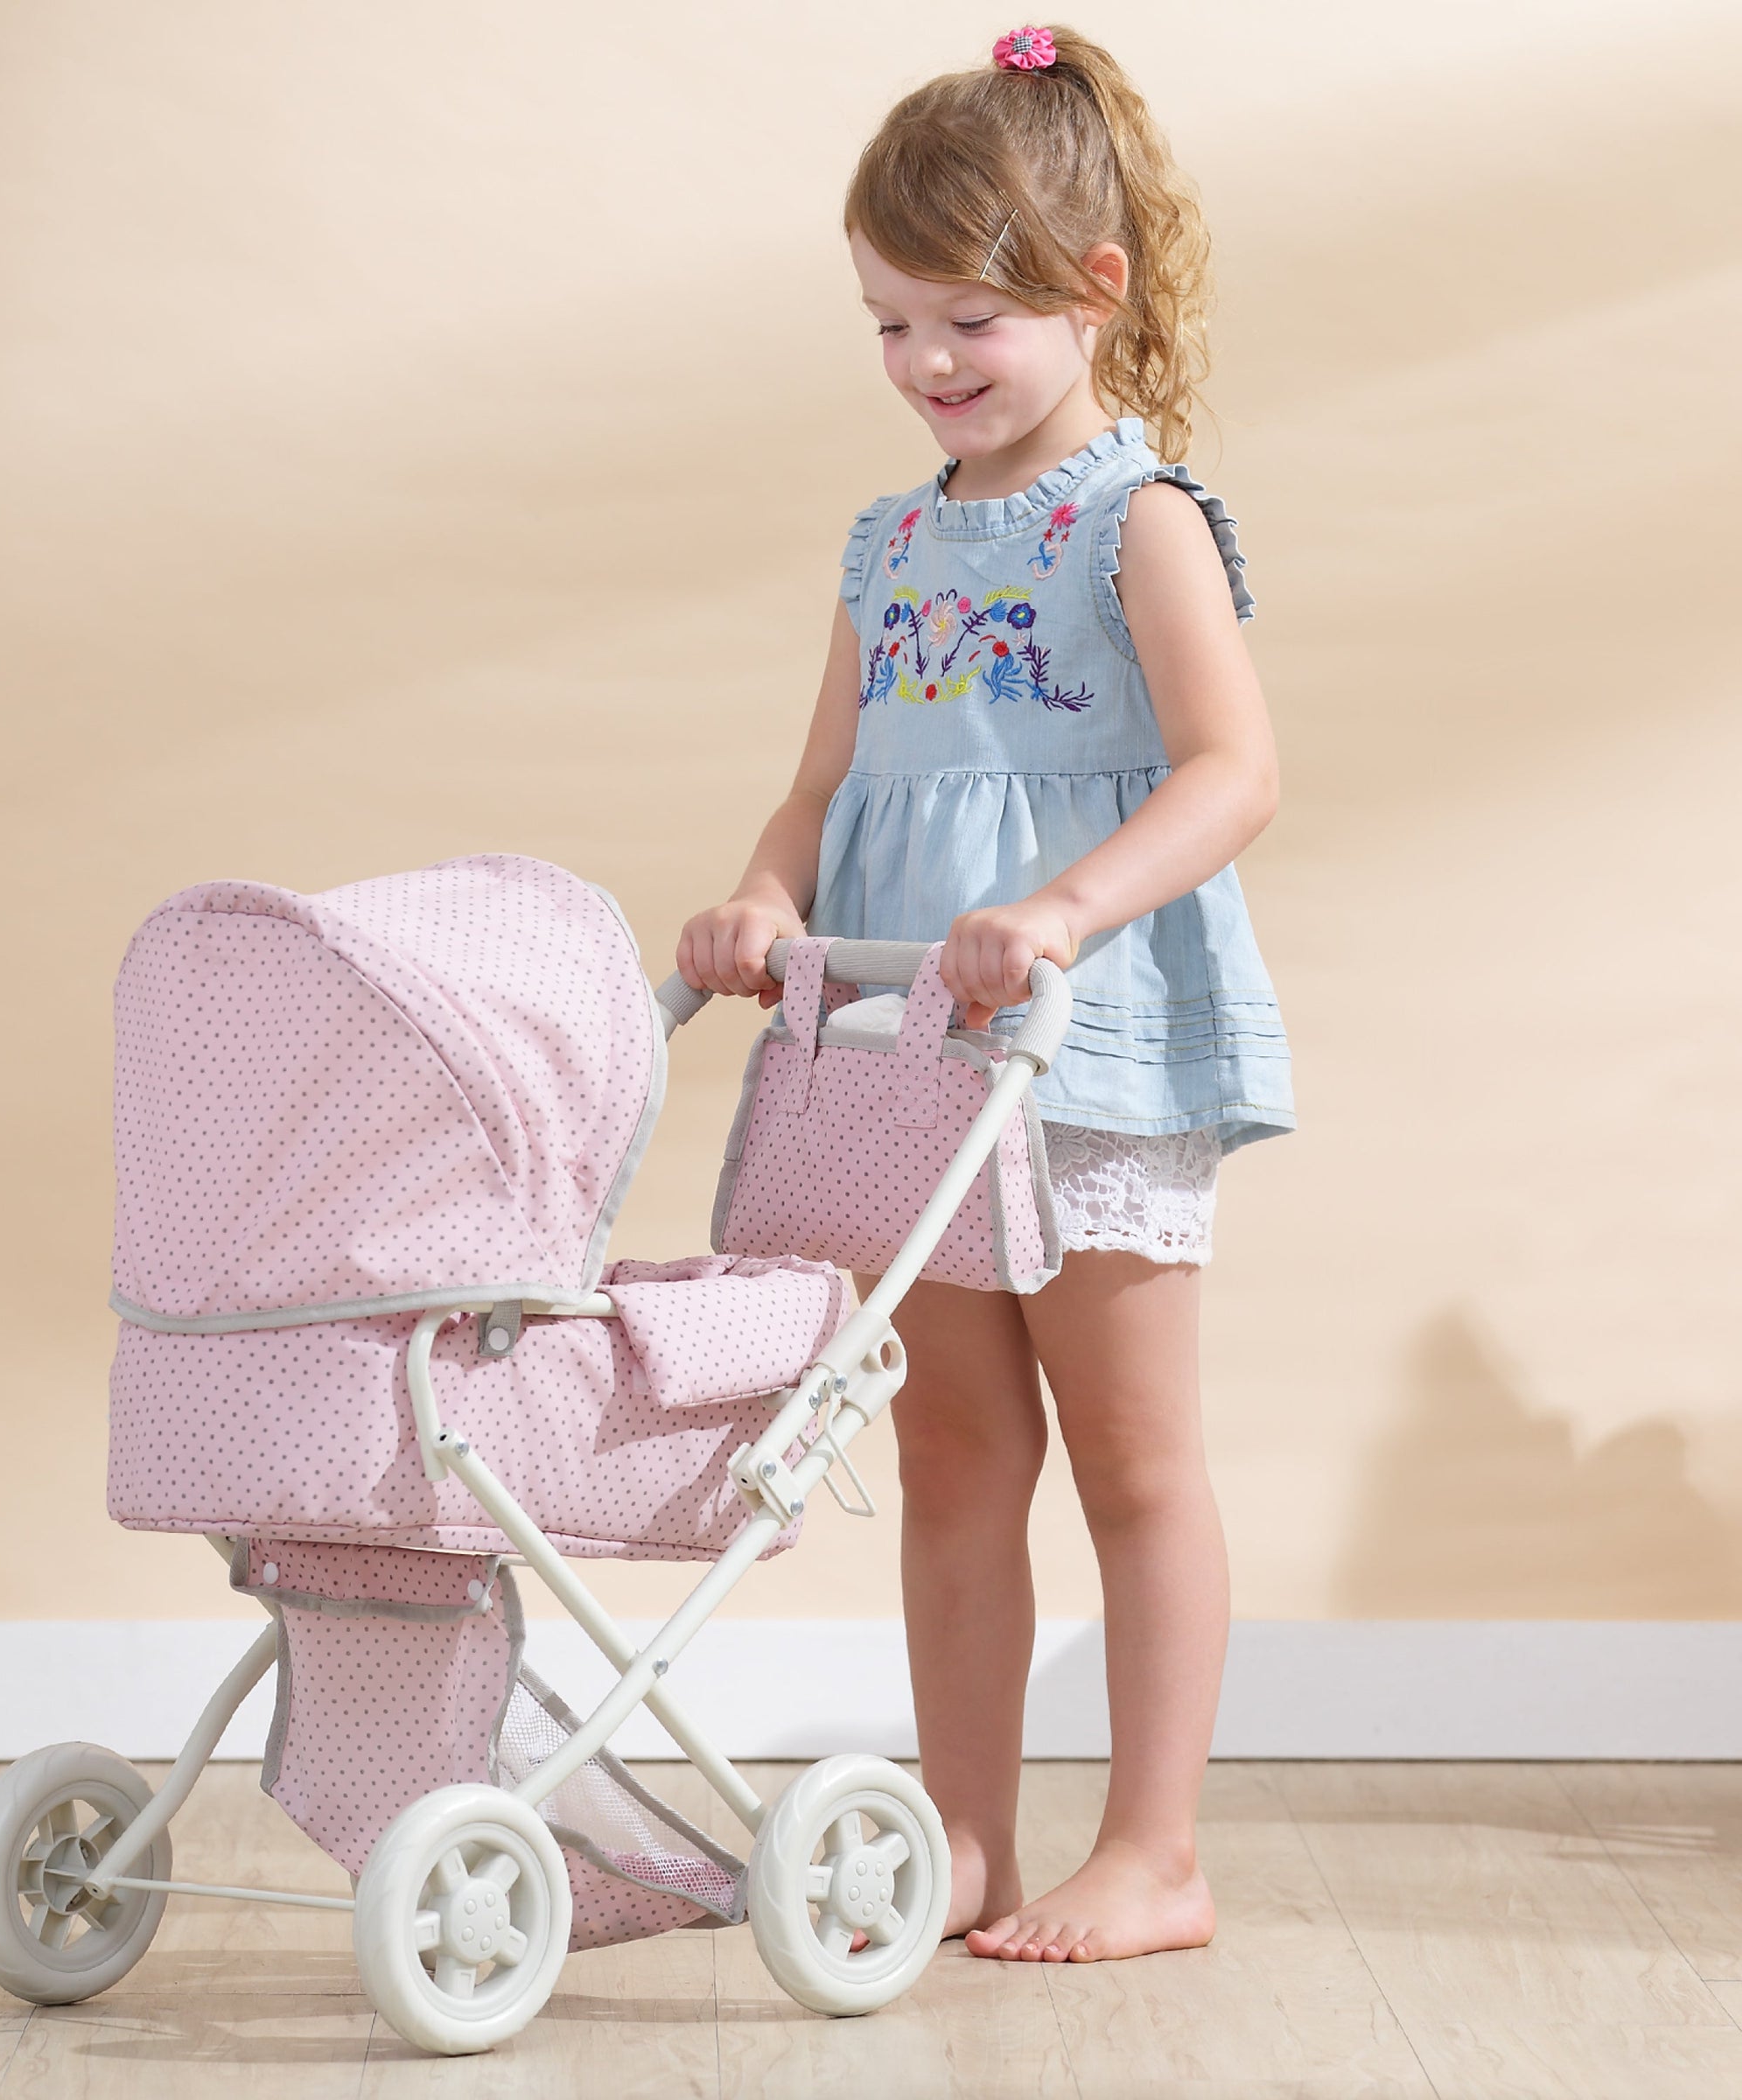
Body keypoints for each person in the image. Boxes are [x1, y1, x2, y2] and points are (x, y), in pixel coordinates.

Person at [676, 23, 1295, 1964]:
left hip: (1083, 1039)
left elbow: (1233, 770)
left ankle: (1158, 1853)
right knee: (953, 1455)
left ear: (1090, 295)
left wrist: (1062, 905)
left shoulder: (1139, 519)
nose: (930, 366)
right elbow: (826, 782)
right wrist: (764, 894)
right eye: (890, 326)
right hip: (904, 1049)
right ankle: (966, 1837)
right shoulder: (886, 544)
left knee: (1130, 1458)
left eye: (970, 320)